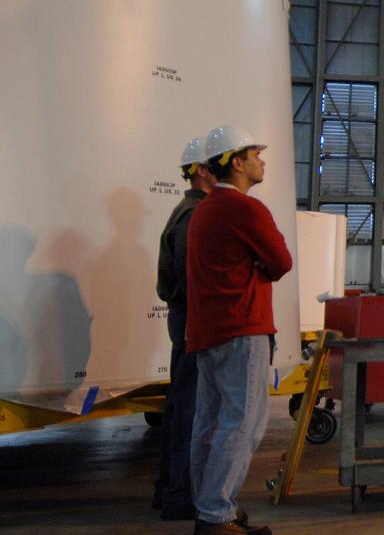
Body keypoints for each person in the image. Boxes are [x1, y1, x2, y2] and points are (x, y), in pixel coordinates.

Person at [186, 124, 292, 535]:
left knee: (210, 425)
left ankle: (207, 507)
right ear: (236, 162)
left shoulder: (204, 209)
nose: (262, 161)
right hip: (242, 329)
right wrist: (259, 266)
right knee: (242, 424)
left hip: (208, 332)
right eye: (255, 155)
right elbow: (281, 261)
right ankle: (216, 514)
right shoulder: (245, 209)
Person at [152, 135, 216, 521]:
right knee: (190, 407)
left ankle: (169, 489)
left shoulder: (187, 210)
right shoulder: (195, 215)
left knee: (181, 403)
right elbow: (190, 275)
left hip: (186, 317)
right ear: (203, 171)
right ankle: (180, 493)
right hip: (193, 318)